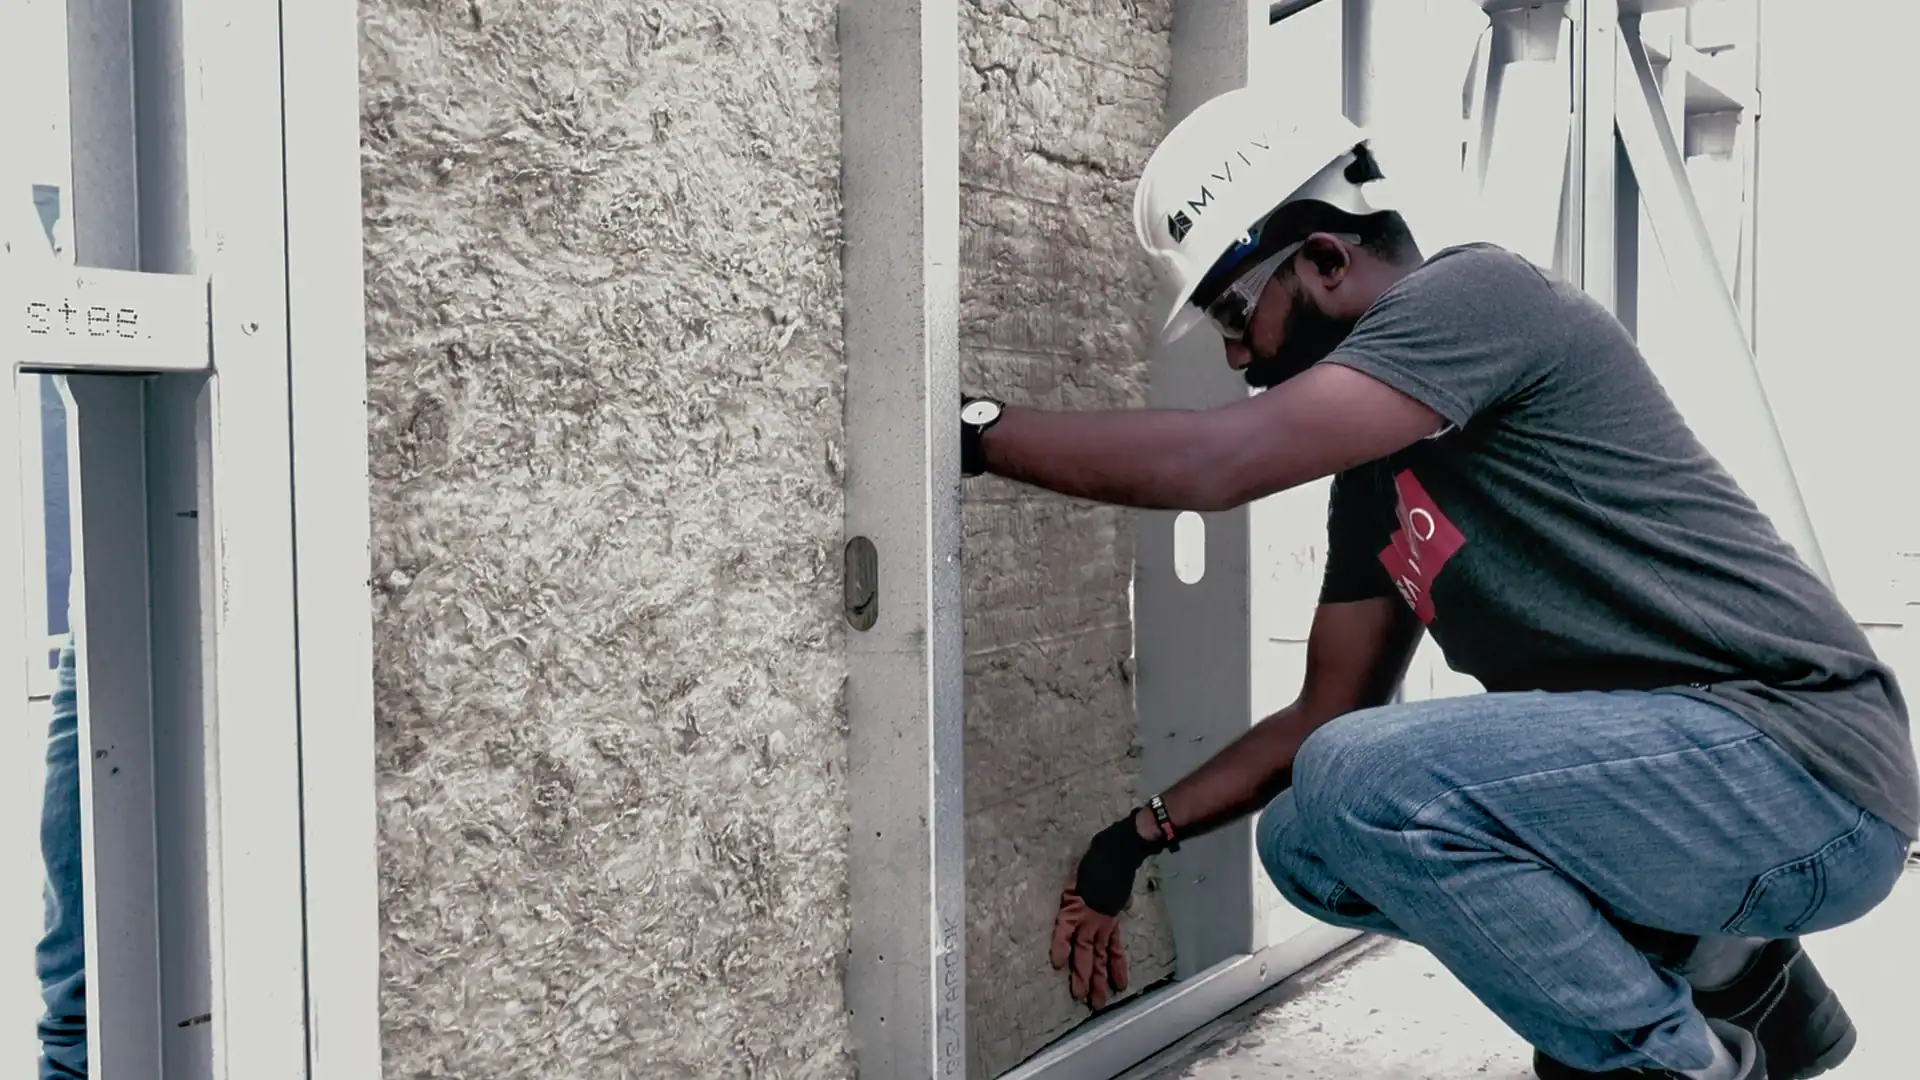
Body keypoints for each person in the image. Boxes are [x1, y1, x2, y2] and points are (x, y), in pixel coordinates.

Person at [959, 88, 1917, 1080]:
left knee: (1357, 779)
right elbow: (1321, 715)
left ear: (1327, 258)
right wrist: (1132, 838)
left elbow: (1218, 463)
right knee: (1306, 838)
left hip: (1801, 771)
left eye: (1237, 313)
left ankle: (1664, 1063)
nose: (1239, 358)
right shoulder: (1380, 478)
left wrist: (973, 433)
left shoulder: (1478, 297)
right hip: (1705, 794)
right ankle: (1744, 974)